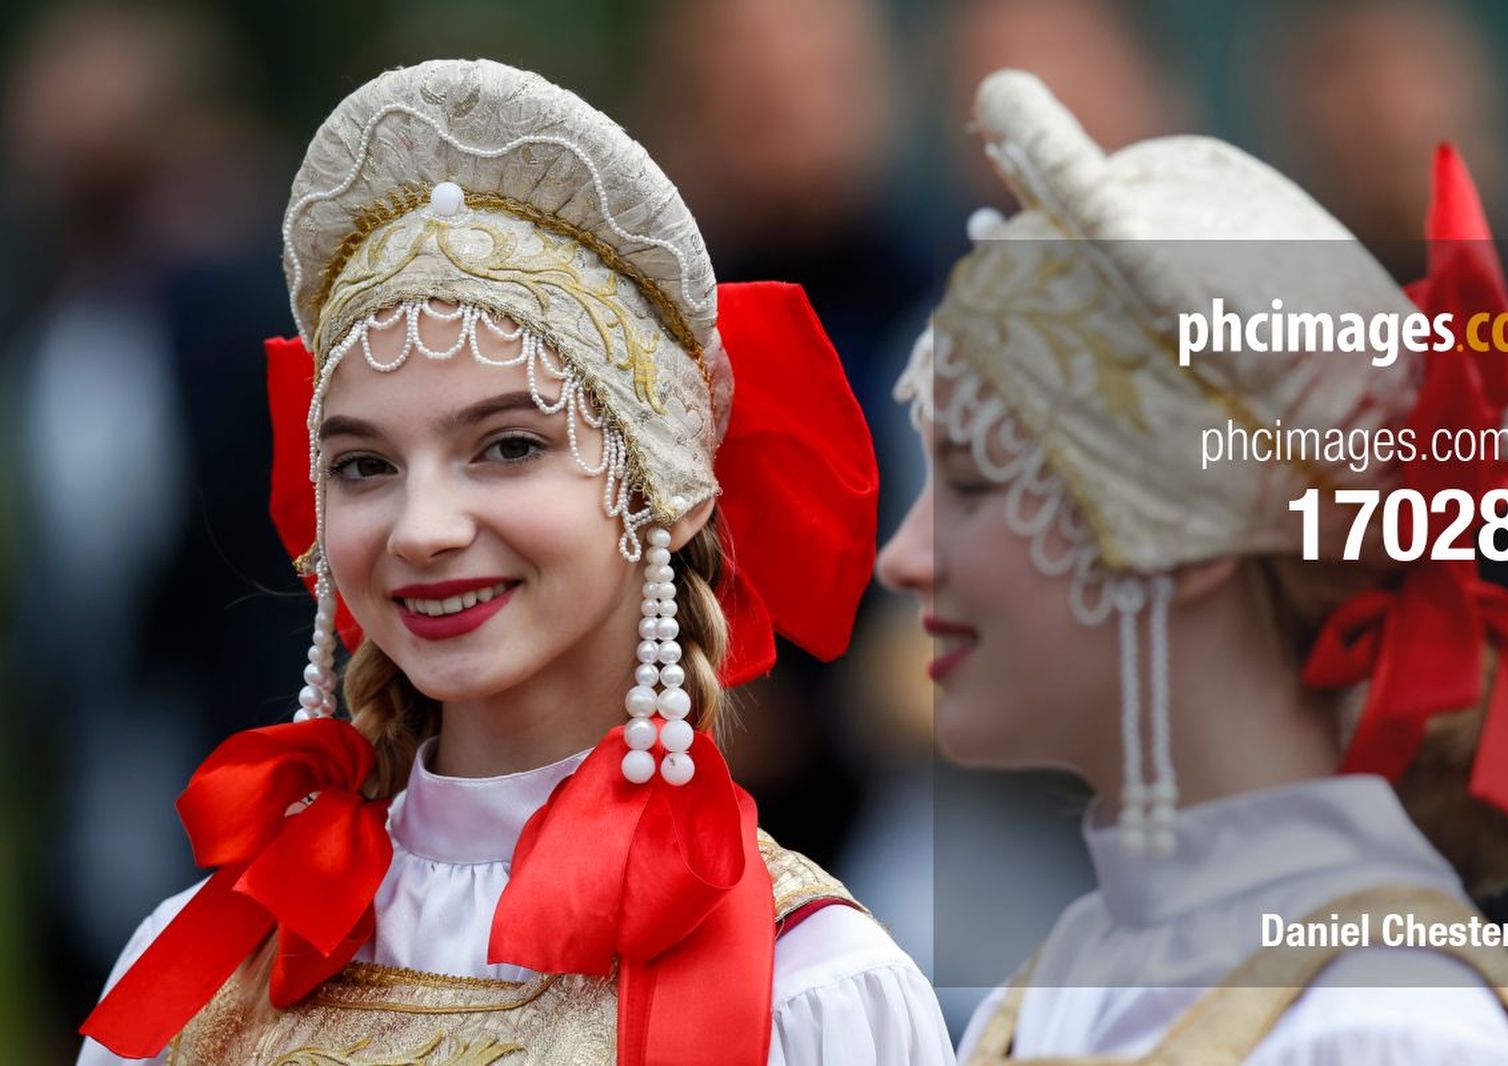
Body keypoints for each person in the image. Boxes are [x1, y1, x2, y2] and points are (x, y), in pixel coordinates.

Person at [77, 58, 954, 1065]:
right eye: (365, 465)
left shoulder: (805, 991)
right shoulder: (200, 966)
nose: (422, 529)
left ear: (665, 488)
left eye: (507, 447)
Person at [878, 69, 1508, 1064]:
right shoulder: (1065, 985)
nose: (902, 559)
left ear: (1182, 531)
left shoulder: (1384, 1025)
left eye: (970, 483)